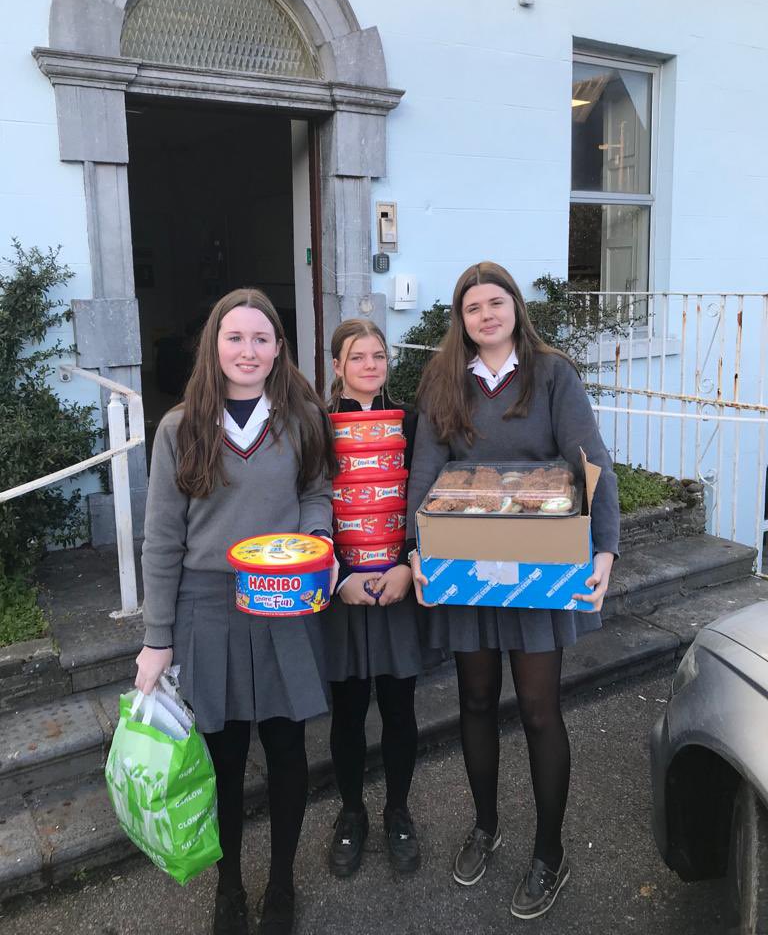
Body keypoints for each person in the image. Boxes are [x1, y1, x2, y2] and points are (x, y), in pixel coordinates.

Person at [406, 262, 619, 920]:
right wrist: (417, 548)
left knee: (538, 708)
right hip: (466, 565)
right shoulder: (444, 379)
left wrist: (605, 548)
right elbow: (426, 469)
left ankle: (550, 852)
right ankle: (486, 825)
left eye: (495, 303)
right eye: (473, 308)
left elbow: (592, 462)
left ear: (515, 308)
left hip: (538, 566)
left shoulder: (552, 374)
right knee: (474, 701)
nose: (486, 316)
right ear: (461, 319)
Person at [134, 289, 337, 935]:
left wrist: (317, 542)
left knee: (285, 746)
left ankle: (280, 884)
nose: (247, 350)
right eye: (235, 337)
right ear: (213, 346)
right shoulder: (180, 427)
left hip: (284, 596)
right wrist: (156, 637)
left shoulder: (302, 417)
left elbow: (317, 492)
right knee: (222, 755)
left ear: (278, 348)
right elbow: (162, 539)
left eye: (260, 338)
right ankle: (229, 886)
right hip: (207, 605)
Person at [323, 318, 430, 878]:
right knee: (346, 710)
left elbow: (426, 494)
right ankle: (351, 812)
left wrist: (409, 566)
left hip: (397, 584)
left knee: (398, 706)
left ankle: (397, 811)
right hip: (341, 589)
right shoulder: (316, 426)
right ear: (337, 365)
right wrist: (337, 574)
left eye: (379, 355)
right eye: (358, 356)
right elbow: (309, 500)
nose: (370, 365)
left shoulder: (411, 423)